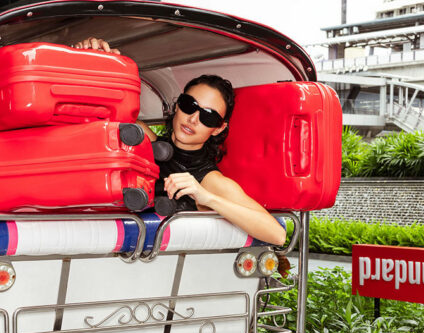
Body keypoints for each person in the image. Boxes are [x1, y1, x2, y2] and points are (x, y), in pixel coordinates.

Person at [73, 38, 286, 246]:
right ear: (177, 105)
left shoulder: (211, 181)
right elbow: (97, 108)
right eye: (189, 104)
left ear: (218, 128)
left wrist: (207, 198)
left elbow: (277, 234)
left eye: (208, 117)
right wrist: (87, 57)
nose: (193, 119)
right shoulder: (143, 139)